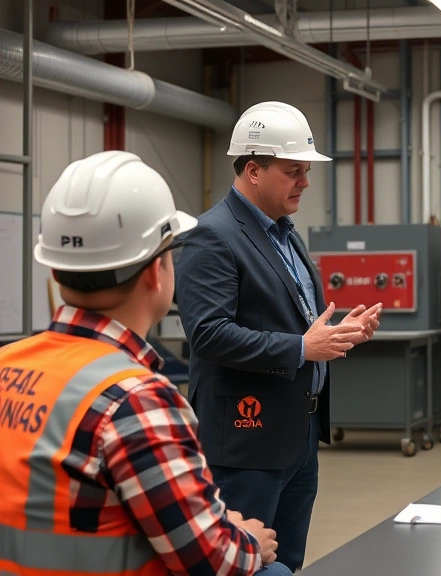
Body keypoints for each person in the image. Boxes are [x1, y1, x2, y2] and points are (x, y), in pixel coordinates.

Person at [0, 151, 289, 576]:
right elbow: (214, 561)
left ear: (57, 271)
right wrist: (246, 539)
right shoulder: (136, 401)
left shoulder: (7, 363)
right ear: (157, 272)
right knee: (273, 571)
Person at [175, 101, 382, 571]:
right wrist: (303, 347)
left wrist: (338, 334)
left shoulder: (286, 234)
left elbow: (296, 324)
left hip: (297, 435)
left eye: (306, 171)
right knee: (244, 566)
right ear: (253, 170)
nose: (305, 182)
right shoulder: (212, 235)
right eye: (293, 172)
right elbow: (208, 334)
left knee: (286, 564)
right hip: (247, 444)